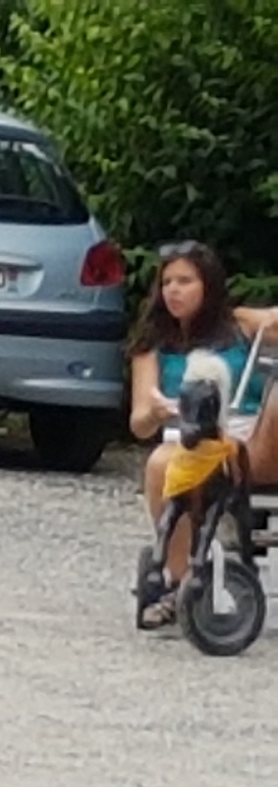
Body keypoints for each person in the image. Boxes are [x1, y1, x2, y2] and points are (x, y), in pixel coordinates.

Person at [127, 240, 278, 628]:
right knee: (161, 462)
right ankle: (183, 582)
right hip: (188, 442)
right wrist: (156, 411)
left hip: (247, 442)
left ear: (207, 285)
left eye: (185, 281)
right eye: (167, 282)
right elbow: (140, 421)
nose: (173, 290)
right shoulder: (152, 346)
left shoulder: (241, 325)